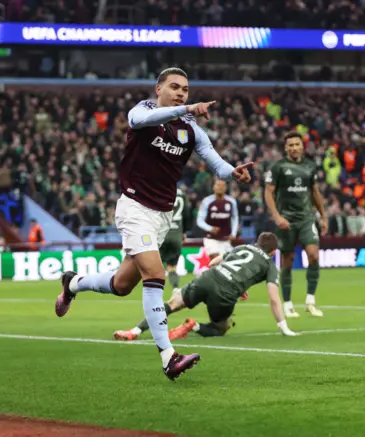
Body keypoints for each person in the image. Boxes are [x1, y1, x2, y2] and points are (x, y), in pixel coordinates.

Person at [55, 67, 254, 380]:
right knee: (157, 275)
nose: (180, 93)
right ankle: (168, 357)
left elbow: (214, 160)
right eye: (174, 87)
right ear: (158, 88)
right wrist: (185, 109)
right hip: (134, 207)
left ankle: (73, 283)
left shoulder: (191, 130)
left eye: (185, 90)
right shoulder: (144, 111)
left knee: (122, 285)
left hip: (162, 216)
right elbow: (138, 122)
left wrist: (233, 172)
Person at [113, 232, 298, 341]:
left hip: (208, 278)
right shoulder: (270, 265)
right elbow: (274, 298)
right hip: (225, 293)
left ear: (258, 242)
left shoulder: (242, 248)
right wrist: (283, 326)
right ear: (273, 252)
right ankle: (193, 326)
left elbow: (213, 262)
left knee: (171, 304)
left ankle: (134, 331)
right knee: (221, 327)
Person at [264, 131, 327, 318]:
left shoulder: (310, 166)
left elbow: (315, 193)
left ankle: (310, 301)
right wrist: (277, 217)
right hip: (286, 220)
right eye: (290, 145)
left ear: (302, 146)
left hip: (307, 218)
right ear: (285, 148)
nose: (293, 148)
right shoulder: (278, 167)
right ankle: (289, 304)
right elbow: (268, 193)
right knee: (288, 261)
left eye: (296, 144)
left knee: (314, 255)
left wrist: (323, 217)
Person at [197, 179, 239, 261]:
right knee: (216, 259)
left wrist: (233, 233)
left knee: (226, 262)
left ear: (226, 188)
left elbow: (235, 218)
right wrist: (210, 228)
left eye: (222, 186)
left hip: (225, 238)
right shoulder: (207, 201)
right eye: (218, 185)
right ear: (214, 187)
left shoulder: (231, 201)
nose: (220, 187)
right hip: (211, 238)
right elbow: (199, 220)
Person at [159, 187, 190, 292]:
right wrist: (184, 232)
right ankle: (175, 287)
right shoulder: (181, 193)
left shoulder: (160, 190)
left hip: (161, 234)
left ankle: (154, 288)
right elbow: (187, 214)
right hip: (176, 234)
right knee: (172, 266)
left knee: (155, 264)